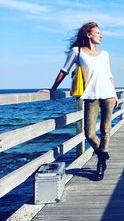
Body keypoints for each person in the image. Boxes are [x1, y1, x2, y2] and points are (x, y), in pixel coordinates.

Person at [41, 22, 118, 181]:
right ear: (88, 34)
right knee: (89, 132)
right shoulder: (77, 52)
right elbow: (64, 70)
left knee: (105, 128)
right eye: (97, 32)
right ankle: (102, 154)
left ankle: (100, 164)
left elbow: (109, 75)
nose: (101, 35)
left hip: (108, 94)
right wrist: (52, 89)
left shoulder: (105, 54)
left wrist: (115, 94)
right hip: (90, 96)